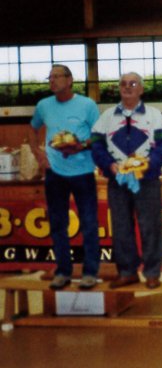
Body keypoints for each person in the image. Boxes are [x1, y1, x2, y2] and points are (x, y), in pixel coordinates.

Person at [91, 72, 162, 289]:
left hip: (148, 181)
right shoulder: (107, 117)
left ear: (141, 89)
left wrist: (147, 165)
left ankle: (152, 273)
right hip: (117, 181)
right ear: (119, 88)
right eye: (124, 84)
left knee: (150, 226)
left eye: (133, 84)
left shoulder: (154, 115)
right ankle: (127, 272)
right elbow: (96, 145)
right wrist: (109, 165)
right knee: (121, 227)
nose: (128, 87)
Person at [29, 64, 101, 290]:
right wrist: (38, 153)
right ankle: (62, 271)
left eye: (57, 77)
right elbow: (33, 128)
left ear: (69, 80)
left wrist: (81, 146)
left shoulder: (87, 105)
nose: (52, 81)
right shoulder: (43, 105)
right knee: (58, 224)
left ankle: (90, 272)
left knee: (89, 223)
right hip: (54, 174)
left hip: (83, 172)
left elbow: (99, 136)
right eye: (50, 77)